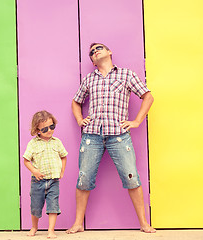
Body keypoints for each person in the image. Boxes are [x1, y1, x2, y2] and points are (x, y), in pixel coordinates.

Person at [66, 43, 156, 234]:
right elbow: (76, 102)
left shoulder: (126, 74)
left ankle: (144, 223)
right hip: (92, 136)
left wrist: (137, 121)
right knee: (84, 179)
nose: (95, 51)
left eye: (99, 48)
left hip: (119, 136)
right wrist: (80, 119)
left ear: (109, 52)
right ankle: (78, 223)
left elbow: (148, 96)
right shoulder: (89, 79)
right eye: (91, 52)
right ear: (92, 61)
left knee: (132, 178)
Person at [23, 110, 68, 238]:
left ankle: (51, 230)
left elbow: (64, 156)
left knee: (53, 206)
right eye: (44, 129)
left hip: (54, 181)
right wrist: (34, 171)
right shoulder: (33, 144)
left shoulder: (57, 142)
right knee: (36, 207)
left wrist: (62, 170)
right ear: (37, 130)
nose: (49, 130)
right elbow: (26, 161)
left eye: (52, 126)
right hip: (38, 182)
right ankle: (34, 227)